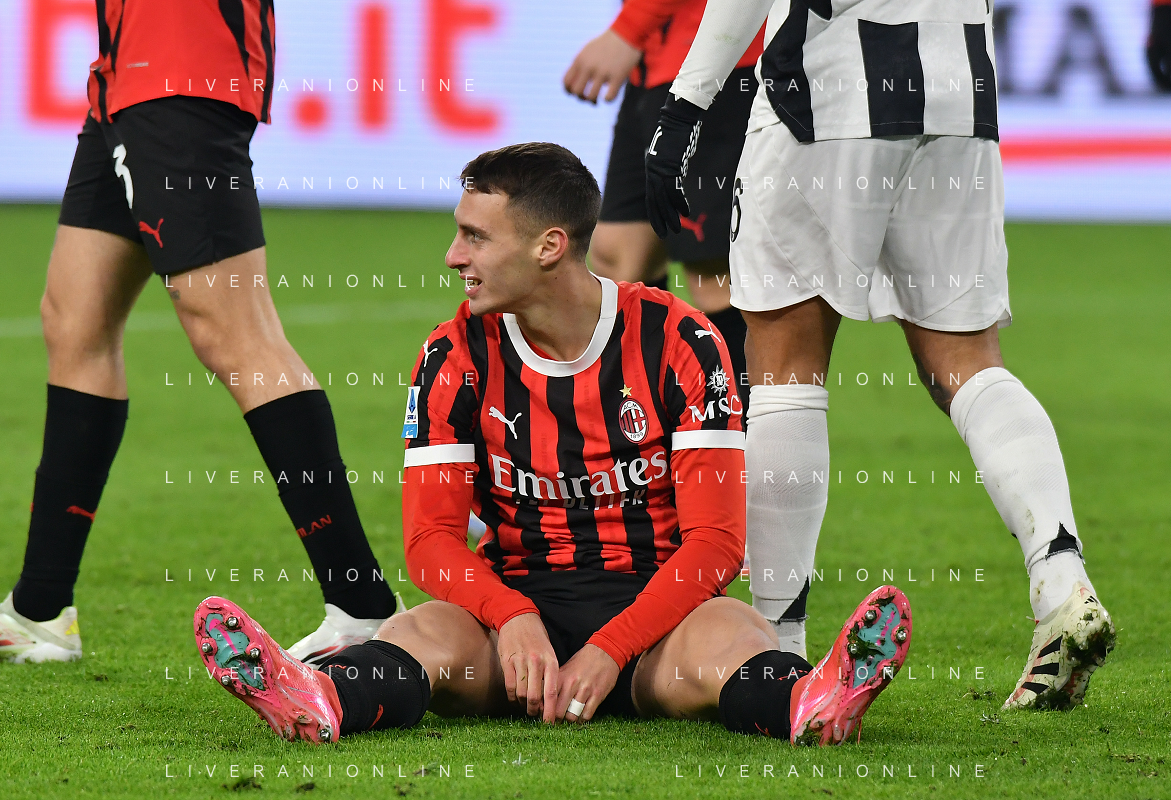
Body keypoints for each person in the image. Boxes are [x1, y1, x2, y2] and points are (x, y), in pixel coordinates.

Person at [192, 143, 913, 746]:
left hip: (658, 626)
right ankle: (319, 696)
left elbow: (716, 543)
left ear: (549, 246)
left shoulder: (680, 340)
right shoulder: (451, 356)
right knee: (425, 632)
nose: (452, 256)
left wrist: (610, 647)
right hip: (513, 626)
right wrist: (513, 617)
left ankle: (811, 700)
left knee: (733, 632)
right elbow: (430, 541)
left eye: (475, 237)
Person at [643, 0, 1115, 710]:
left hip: (824, 92)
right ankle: (1060, 582)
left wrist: (686, 104)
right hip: (958, 91)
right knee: (969, 361)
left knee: (784, 368)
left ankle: (777, 649)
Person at [0, 0, 398, 666]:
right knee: (74, 320)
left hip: (183, 68)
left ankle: (363, 608)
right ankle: (40, 610)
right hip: (123, 79)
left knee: (235, 332)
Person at [563, 2, 766, 411]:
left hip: (717, 57)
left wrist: (627, 30)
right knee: (618, 255)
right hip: (655, 63)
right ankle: (649, 427)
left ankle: (742, 433)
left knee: (715, 272)